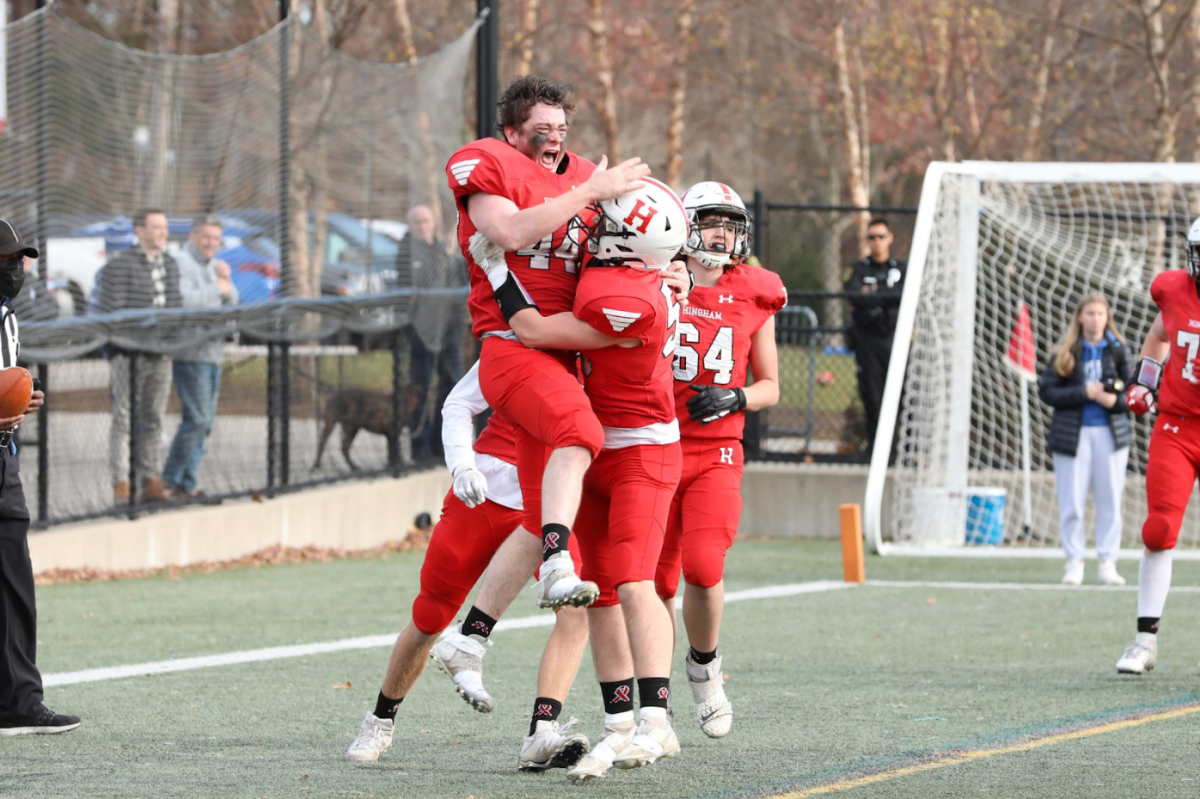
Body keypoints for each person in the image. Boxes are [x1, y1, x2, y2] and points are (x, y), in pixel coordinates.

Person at [470, 176, 690, 782]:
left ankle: (657, 720)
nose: (595, 226)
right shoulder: (631, 271)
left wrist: (495, 270)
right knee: (602, 593)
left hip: (642, 449)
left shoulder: (629, 298)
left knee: (636, 581)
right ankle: (619, 724)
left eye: (609, 222)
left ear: (629, 242)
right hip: (593, 445)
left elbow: (535, 330)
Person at [447, 75, 651, 610]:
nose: (555, 137)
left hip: (565, 355)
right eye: (542, 128)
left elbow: (629, 247)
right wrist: (586, 194)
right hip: (512, 344)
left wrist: (672, 271)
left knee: (540, 511)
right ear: (511, 133)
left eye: (561, 127)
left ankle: (469, 641)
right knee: (581, 432)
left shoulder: (585, 176)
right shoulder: (488, 165)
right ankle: (557, 565)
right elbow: (511, 232)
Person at [344, 361, 594, 772]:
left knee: (575, 608)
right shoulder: (521, 341)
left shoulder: (601, 348)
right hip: (489, 489)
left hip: (551, 501)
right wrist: (462, 464)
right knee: (431, 616)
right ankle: (380, 720)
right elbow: (459, 402)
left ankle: (541, 732)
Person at [654, 182, 785, 739]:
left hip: (717, 451)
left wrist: (737, 396)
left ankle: (704, 669)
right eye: (712, 223)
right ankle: (654, 693)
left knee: (705, 568)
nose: (723, 235)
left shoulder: (756, 290)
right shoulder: (656, 275)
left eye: (731, 226)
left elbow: (771, 385)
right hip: (655, 446)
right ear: (685, 226)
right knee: (654, 582)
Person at [0, 220, 80, 737]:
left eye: (20, 259)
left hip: (3, 462)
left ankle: (19, 704)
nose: (18, 268)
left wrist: (21, 398)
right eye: (7, 259)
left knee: (14, 586)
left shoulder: (7, 317)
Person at [1115, 217, 1200, 674]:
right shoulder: (1173, 289)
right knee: (1158, 529)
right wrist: (1145, 381)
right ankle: (1144, 640)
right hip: (1178, 426)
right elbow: (1159, 334)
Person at [1038, 293, 1132, 586]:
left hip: (1110, 435)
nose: (1095, 319)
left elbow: (1133, 394)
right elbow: (1047, 392)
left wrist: (1113, 401)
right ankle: (1074, 561)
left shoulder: (1119, 351)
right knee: (1072, 502)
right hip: (1072, 436)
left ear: (1107, 317)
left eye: (1100, 314)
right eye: (1090, 313)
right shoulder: (1065, 351)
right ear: (1080, 317)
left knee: (1110, 501)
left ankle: (1107, 562)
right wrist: (1084, 393)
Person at [97, 209, 182, 504]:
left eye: (165, 226)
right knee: (123, 418)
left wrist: (167, 335)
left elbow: (176, 305)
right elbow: (114, 311)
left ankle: (150, 479)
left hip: (160, 353)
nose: (162, 232)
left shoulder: (170, 264)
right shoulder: (120, 266)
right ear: (139, 230)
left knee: (154, 417)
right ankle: (121, 484)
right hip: (128, 355)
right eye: (156, 227)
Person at [161, 214, 238, 499]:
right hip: (191, 353)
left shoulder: (214, 265)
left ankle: (187, 483)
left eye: (216, 238)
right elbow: (183, 301)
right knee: (197, 419)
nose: (211, 243)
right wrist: (217, 287)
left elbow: (232, 299)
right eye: (206, 237)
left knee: (205, 423)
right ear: (193, 236)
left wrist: (225, 281)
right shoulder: (182, 262)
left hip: (213, 352)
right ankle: (170, 480)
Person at [396, 204, 467, 460]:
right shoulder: (406, 252)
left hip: (449, 327)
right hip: (420, 330)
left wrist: (448, 254)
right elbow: (420, 282)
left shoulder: (444, 249)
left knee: (453, 385)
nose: (422, 226)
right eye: (417, 222)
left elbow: (459, 280)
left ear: (433, 223)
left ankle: (441, 444)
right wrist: (443, 256)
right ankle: (421, 447)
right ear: (409, 225)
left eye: (426, 221)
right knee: (421, 387)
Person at [843, 217, 906, 450]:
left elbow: (905, 294)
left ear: (890, 238)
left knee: (903, 394)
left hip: (895, 340)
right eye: (871, 237)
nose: (876, 241)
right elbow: (853, 297)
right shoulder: (858, 269)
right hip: (867, 340)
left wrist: (872, 294)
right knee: (872, 395)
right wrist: (887, 295)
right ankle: (875, 449)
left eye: (881, 236)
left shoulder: (901, 269)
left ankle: (903, 449)